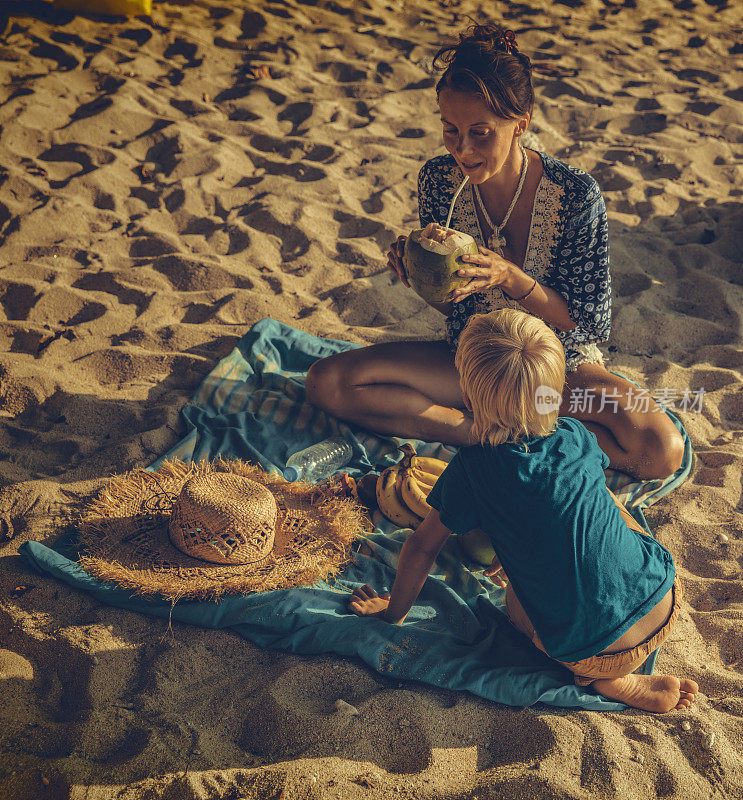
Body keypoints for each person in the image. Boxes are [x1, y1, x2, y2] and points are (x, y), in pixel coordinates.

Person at [305, 21, 685, 481]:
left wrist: (510, 277)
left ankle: (502, 428)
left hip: (556, 371)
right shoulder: (439, 181)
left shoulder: (575, 195)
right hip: (472, 361)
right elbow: (453, 306)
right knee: (327, 382)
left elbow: (588, 321)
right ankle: (498, 435)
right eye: (450, 130)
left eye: (480, 133)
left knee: (660, 448)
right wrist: (419, 272)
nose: (462, 150)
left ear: (520, 123)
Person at [348, 309, 698, 713]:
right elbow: (578, 504)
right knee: (611, 510)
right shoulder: (575, 434)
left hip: (593, 650)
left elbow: (421, 549)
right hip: (663, 597)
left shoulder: (473, 470)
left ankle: (611, 679)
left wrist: (391, 613)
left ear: (466, 399)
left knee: (517, 599)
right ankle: (617, 647)